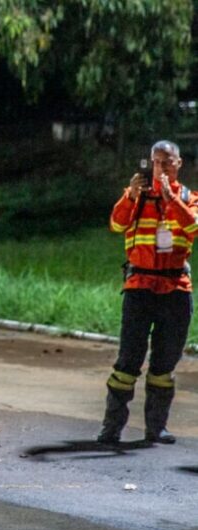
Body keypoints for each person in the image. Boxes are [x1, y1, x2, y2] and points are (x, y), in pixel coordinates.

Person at [98, 140, 198, 445]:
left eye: (168, 162)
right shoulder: (137, 196)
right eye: (157, 162)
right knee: (128, 361)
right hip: (140, 287)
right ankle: (111, 428)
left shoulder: (188, 197)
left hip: (175, 289)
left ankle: (156, 428)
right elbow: (116, 224)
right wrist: (131, 195)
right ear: (150, 163)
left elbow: (193, 227)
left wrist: (172, 201)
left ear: (178, 164)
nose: (162, 167)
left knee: (165, 363)